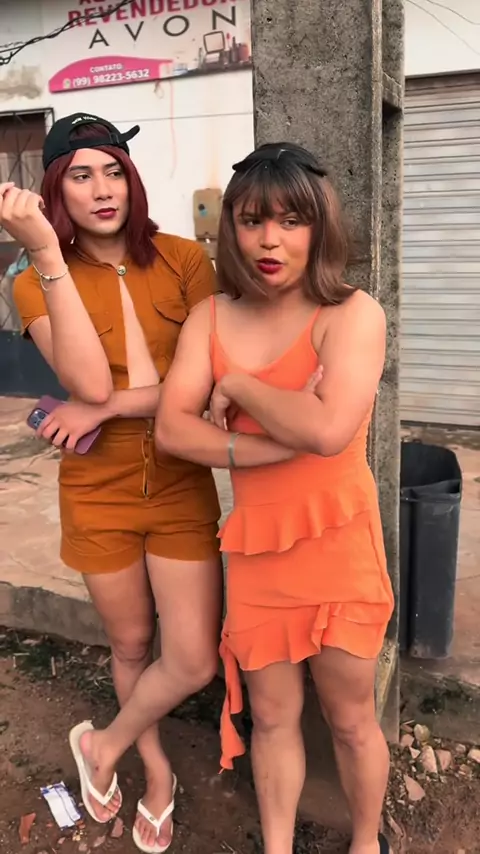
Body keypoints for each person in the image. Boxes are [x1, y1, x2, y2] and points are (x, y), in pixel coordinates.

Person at [155, 143, 395, 854]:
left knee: (351, 719)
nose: (269, 240)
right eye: (252, 220)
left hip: (340, 544)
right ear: (231, 227)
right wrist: (263, 444)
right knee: (272, 717)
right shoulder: (210, 317)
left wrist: (236, 386)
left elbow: (327, 430)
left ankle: (365, 843)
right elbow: (172, 429)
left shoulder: (351, 313)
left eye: (291, 221)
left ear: (320, 227)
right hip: (258, 550)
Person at [3, 112, 222, 853]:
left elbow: (199, 388)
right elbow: (88, 379)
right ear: (54, 190)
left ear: (132, 180)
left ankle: (103, 743)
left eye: (114, 171)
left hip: (181, 482)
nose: (103, 190)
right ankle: (155, 773)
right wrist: (45, 253)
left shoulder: (186, 260)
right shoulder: (31, 280)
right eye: (81, 175)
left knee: (191, 658)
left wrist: (105, 409)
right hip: (97, 490)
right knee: (130, 645)